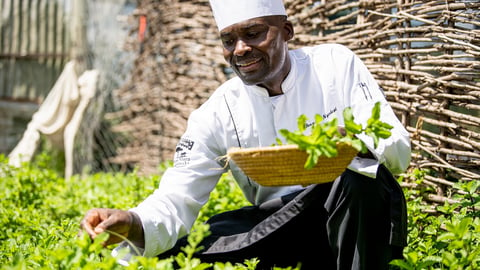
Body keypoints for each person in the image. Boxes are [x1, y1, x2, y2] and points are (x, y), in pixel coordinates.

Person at [80, 0, 411, 269]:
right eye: (228, 40)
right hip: (280, 223)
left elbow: (397, 153)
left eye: (253, 33)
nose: (240, 50)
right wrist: (133, 221)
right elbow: (178, 195)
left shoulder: (335, 66)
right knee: (178, 253)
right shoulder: (218, 110)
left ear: (286, 31)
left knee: (357, 180)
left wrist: (355, 142)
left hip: (353, 216)